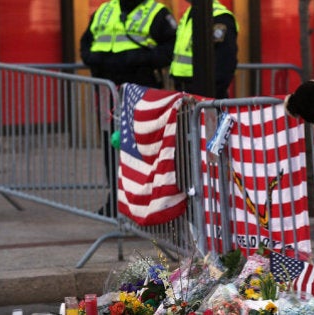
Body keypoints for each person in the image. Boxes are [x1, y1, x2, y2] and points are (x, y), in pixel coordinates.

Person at [80, 0, 177, 216]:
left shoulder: (158, 13)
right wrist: (95, 59)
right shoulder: (104, 10)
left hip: (141, 91)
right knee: (110, 147)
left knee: (142, 149)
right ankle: (115, 201)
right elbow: (85, 44)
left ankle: (142, 204)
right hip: (107, 92)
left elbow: (170, 49)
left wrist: (137, 60)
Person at [80, 0, 177, 89]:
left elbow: (171, 47)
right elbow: (86, 41)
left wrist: (140, 59)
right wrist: (92, 58)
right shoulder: (104, 9)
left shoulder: (157, 11)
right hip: (105, 86)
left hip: (141, 85)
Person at [170, 0, 239, 99]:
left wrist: (208, 99)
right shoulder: (191, 12)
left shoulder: (220, 17)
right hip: (184, 90)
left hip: (205, 95)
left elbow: (226, 63)